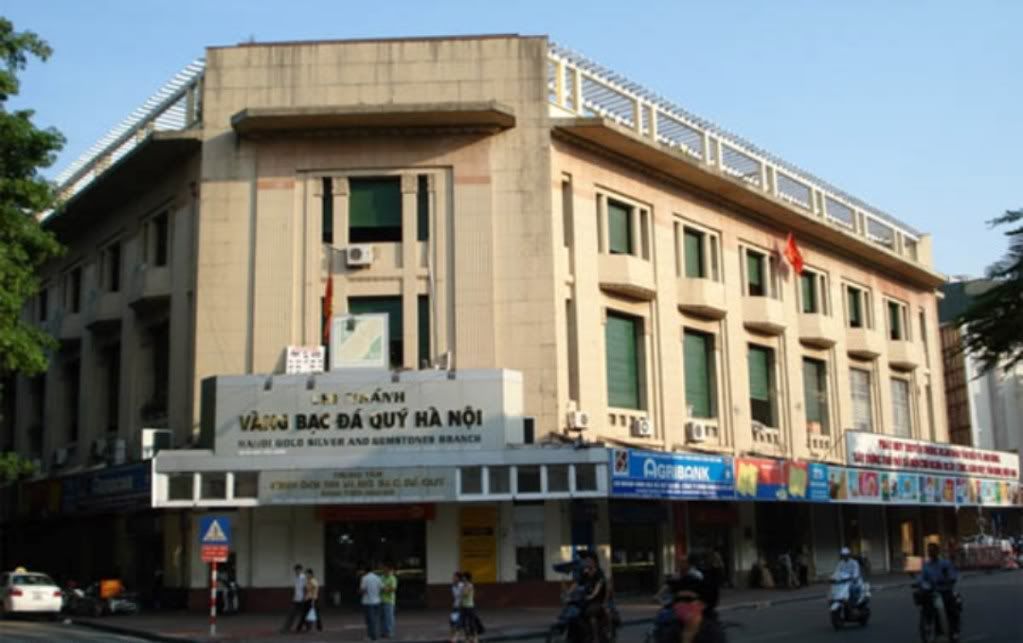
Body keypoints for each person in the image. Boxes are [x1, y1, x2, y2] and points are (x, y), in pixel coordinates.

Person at [655, 575, 728, 643]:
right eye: (677, 600)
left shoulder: (713, 635)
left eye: (687, 599)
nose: (681, 603)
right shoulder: (670, 631)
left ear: (702, 604)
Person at [918, 542, 961, 641]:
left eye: (933, 550)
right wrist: (922, 583)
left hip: (944, 590)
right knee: (924, 602)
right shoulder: (926, 565)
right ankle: (928, 623)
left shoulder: (945, 563)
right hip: (932, 591)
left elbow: (953, 574)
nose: (931, 552)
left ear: (937, 551)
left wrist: (949, 579)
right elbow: (921, 578)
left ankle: (955, 630)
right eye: (929, 551)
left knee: (951, 608)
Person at [359, 563, 383, 641]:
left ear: (365, 571)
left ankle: (371, 636)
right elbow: (381, 588)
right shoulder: (378, 577)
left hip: (368, 602)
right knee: (376, 619)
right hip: (377, 601)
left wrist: (360, 592)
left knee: (369, 620)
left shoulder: (364, 578)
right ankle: (376, 634)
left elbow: (363, 590)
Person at [280, 564, 306, 633]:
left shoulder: (303, 578)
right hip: (295, 599)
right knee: (291, 613)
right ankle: (286, 628)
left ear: (301, 570)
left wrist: (305, 597)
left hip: (302, 599)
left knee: (304, 614)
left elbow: (305, 588)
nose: (297, 571)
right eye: (296, 570)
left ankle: (308, 627)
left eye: (298, 570)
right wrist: (292, 597)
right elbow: (294, 588)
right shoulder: (295, 578)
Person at [458, 571, 482, 643]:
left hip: (470, 607)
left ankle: (475, 638)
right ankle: (467, 638)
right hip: (463, 606)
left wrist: (462, 590)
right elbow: (461, 595)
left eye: (464, 577)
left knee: (471, 623)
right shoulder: (463, 585)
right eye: (462, 577)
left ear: (467, 578)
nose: (462, 578)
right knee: (464, 623)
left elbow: (465, 594)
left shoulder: (470, 585)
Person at [297, 568, 322, 633]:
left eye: (307, 574)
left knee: (306, 613)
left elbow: (314, 591)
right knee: (311, 613)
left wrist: (313, 601)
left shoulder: (313, 581)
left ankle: (299, 627)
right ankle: (319, 627)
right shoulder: (309, 581)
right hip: (309, 599)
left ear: (311, 574)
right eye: (306, 574)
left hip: (311, 599)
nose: (306, 575)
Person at [380, 561, 398, 638]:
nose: (384, 570)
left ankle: (390, 633)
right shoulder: (381, 577)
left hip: (389, 601)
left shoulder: (392, 578)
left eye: (386, 569)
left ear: (389, 569)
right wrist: (385, 588)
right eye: (383, 569)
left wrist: (384, 589)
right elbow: (379, 587)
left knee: (389, 618)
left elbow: (393, 589)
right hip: (381, 600)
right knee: (382, 618)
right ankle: (383, 632)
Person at [448, 572, 464, 642]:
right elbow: (455, 597)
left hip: (461, 607)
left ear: (458, 578)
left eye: (454, 577)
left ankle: (455, 638)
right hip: (455, 606)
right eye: (453, 577)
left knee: (458, 622)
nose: (453, 578)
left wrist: (461, 604)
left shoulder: (462, 585)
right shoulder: (453, 586)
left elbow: (463, 596)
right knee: (452, 621)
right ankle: (452, 637)